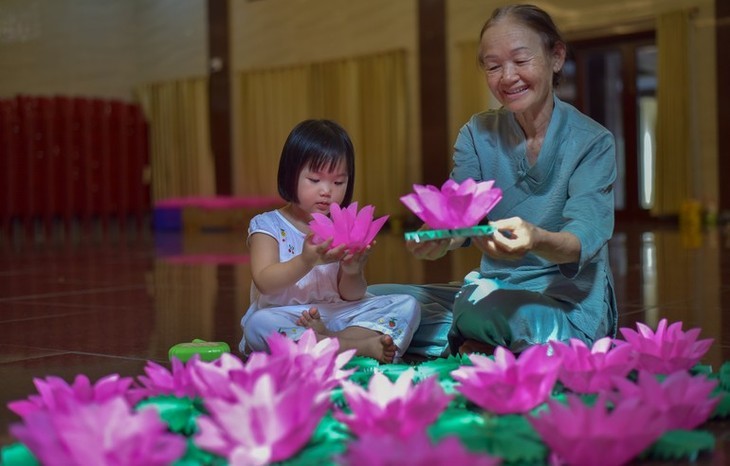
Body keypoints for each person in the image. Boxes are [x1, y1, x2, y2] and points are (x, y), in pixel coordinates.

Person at [369, 3, 617, 356]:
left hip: (564, 303)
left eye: (521, 60)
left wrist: (535, 239)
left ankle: (473, 336)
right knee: (377, 298)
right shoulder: (477, 132)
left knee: (481, 309)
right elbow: (460, 219)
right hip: (493, 289)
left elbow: (582, 239)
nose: (507, 76)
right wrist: (438, 237)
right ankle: (481, 340)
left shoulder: (592, 141)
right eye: (493, 65)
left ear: (556, 56)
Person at [239, 119, 420, 363]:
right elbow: (265, 282)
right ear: (290, 174)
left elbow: (351, 296)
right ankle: (354, 346)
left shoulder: (340, 226)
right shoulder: (268, 225)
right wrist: (306, 260)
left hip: (335, 315)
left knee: (408, 305)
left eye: (338, 182)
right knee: (258, 325)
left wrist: (352, 270)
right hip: (286, 316)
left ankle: (330, 342)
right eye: (315, 180)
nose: (327, 191)